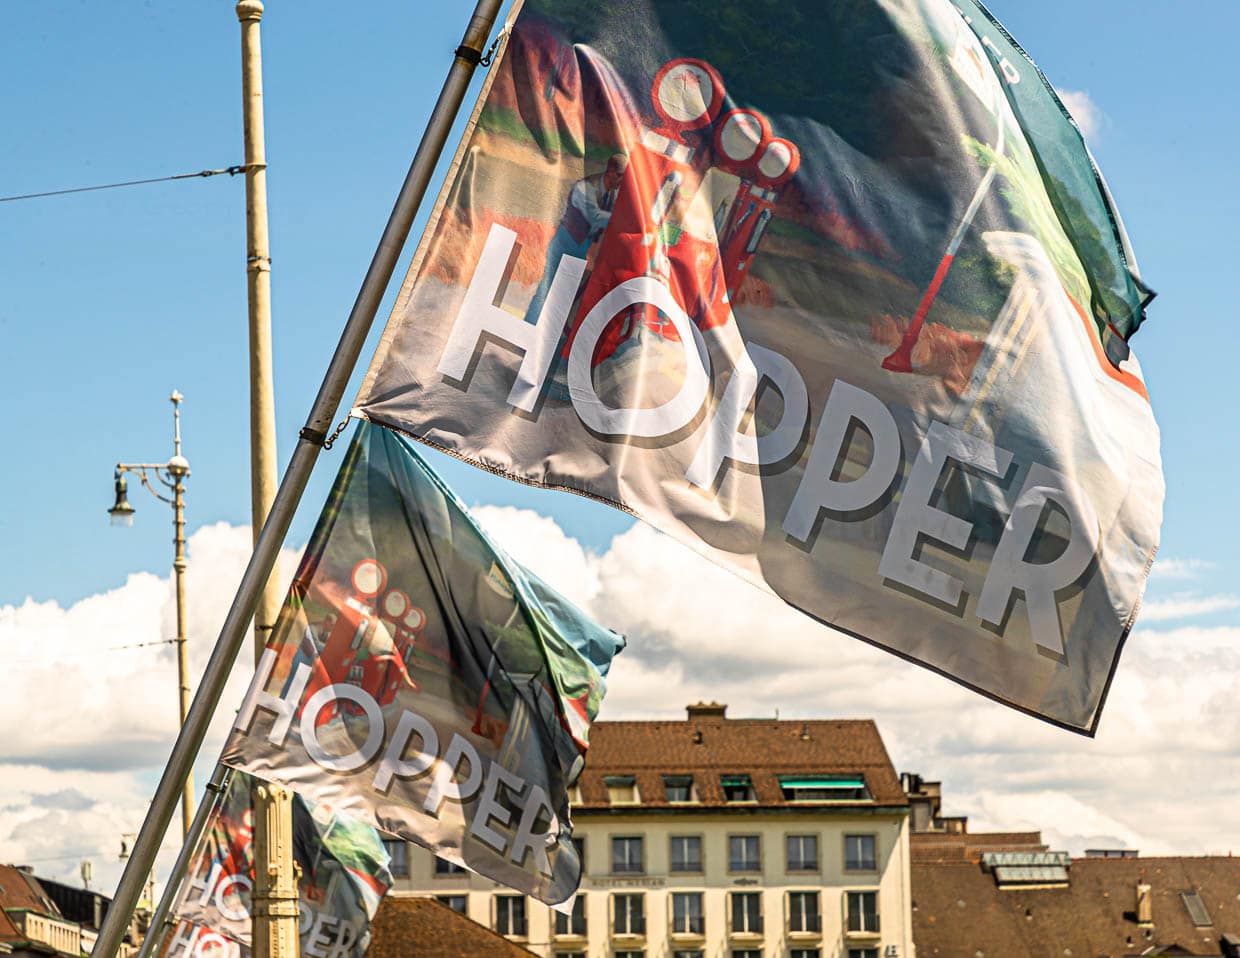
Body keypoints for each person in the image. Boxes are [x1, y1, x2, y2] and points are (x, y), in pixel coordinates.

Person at [524, 152, 628, 327]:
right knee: (547, 288)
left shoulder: (612, 194)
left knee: (564, 295)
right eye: (620, 176)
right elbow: (594, 217)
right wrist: (620, 219)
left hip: (581, 249)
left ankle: (546, 333)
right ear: (611, 171)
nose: (621, 182)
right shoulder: (584, 188)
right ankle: (528, 327)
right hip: (564, 243)